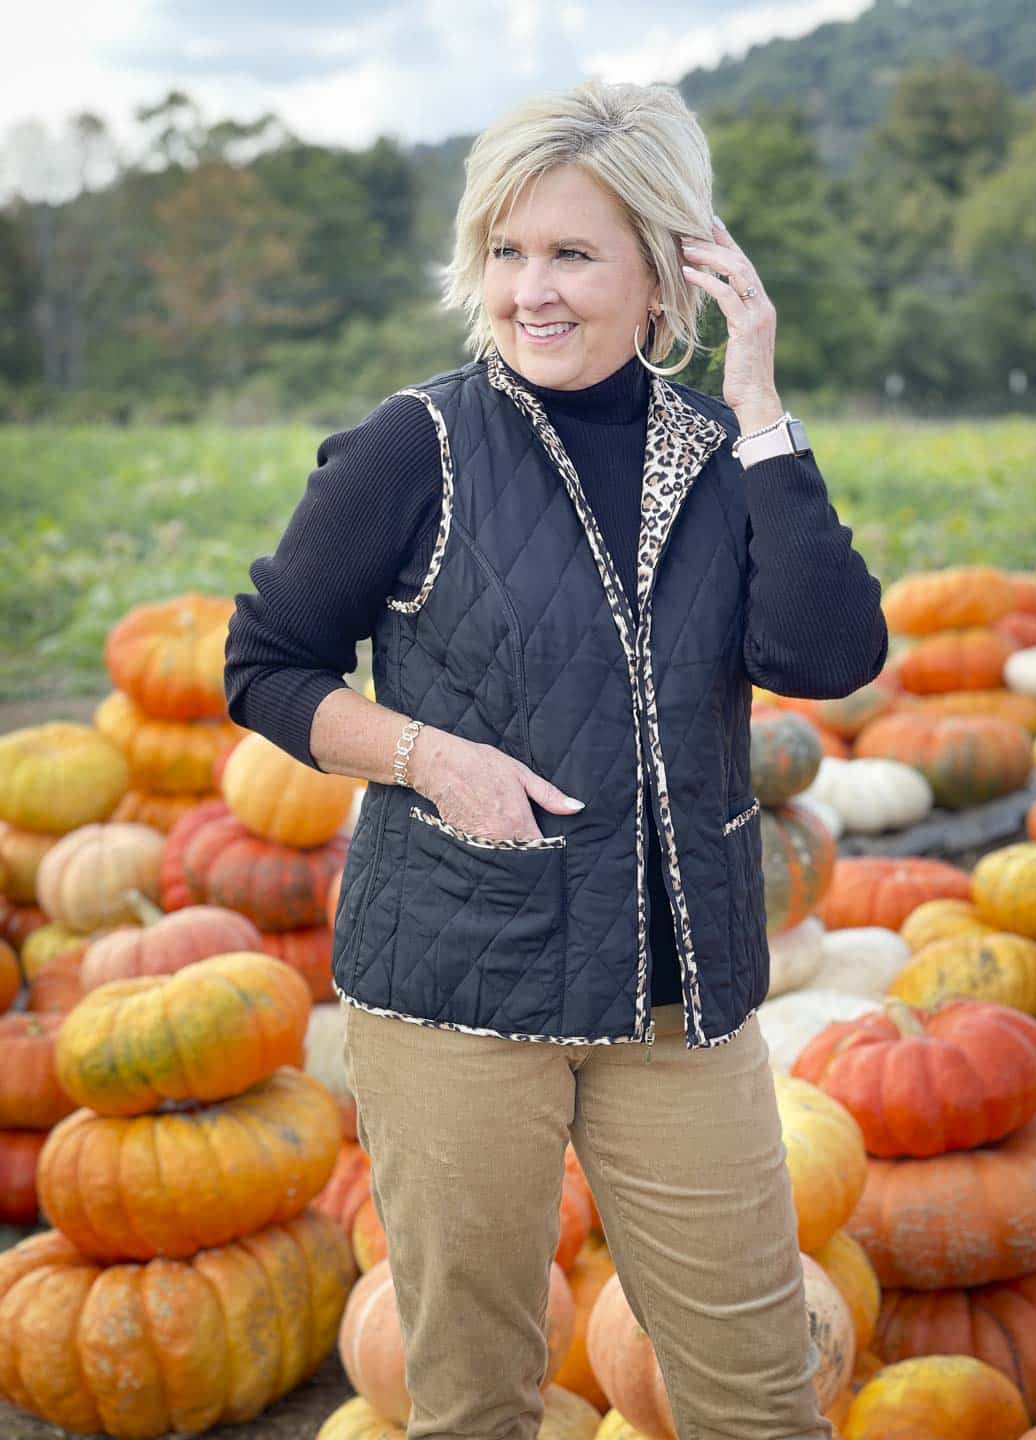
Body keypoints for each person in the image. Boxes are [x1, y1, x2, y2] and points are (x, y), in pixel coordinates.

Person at [225, 79, 887, 1440]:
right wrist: (425, 756)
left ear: (665, 267)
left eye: (572, 253)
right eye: (508, 251)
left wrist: (759, 403)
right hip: (462, 985)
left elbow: (829, 655)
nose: (530, 290)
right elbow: (265, 666)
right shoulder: (416, 445)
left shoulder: (720, 455)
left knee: (762, 1394)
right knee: (471, 1402)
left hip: (679, 1005)